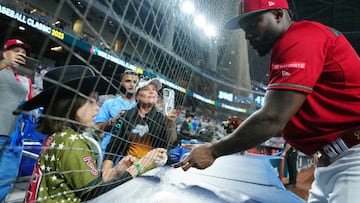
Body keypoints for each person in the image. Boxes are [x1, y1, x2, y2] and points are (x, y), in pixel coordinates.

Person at [174, 0, 360, 202]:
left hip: (353, 157)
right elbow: (297, 115)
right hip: (335, 158)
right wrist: (247, 126)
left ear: (278, 15)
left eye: (253, 24)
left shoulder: (300, 38)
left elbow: (271, 118)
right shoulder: (295, 43)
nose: (247, 35)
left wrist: (212, 151)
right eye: (245, 29)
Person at [15, 65, 167, 202]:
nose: (97, 108)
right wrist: (140, 166)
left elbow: (87, 184)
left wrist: (115, 173)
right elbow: (94, 194)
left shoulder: (61, 136)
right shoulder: (72, 142)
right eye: (91, 101)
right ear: (71, 103)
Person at [102, 78, 177, 180]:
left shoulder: (163, 118)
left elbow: (171, 142)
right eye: (146, 89)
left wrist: (170, 122)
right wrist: (105, 175)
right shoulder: (125, 116)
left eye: (154, 89)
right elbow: (113, 148)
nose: (152, 92)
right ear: (137, 95)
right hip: (129, 171)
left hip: (154, 172)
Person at [0, 38, 33, 201]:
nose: (21, 54)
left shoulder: (27, 81)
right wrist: (4, 62)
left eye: (23, 53)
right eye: (16, 51)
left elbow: (31, 106)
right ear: (5, 53)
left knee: (6, 179)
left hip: (14, 139)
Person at [95, 69, 140, 151]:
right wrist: (112, 121)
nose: (132, 84)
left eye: (135, 82)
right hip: (107, 152)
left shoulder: (139, 107)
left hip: (129, 155)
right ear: (121, 83)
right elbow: (96, 128)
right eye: (128, 81)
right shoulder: (109, 103)